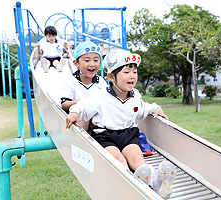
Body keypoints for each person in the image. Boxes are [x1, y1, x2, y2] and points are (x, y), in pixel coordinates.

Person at [65, 49, 176, 199]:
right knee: (119, 161)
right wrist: (74, 113)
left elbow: (143, 108)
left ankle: (156, 181)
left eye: (135, 72)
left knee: (137, 159)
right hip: (105, 136)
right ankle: (131, 185)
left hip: (128, 134)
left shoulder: (135, 95)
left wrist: (156, 108)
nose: (132, 76)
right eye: (126, 72)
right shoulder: (100, 95)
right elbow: (84, 106)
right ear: (111, 76)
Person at [60, 41, 108, 131]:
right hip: (77, 117)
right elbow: (64, 104)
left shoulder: (101, 82)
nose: (92, 64)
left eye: (96, 60)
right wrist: (79, 102)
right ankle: (84, 140)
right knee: (83, 110)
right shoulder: (70, 80)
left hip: (96, 120)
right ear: (76, 63)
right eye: (86, 60)